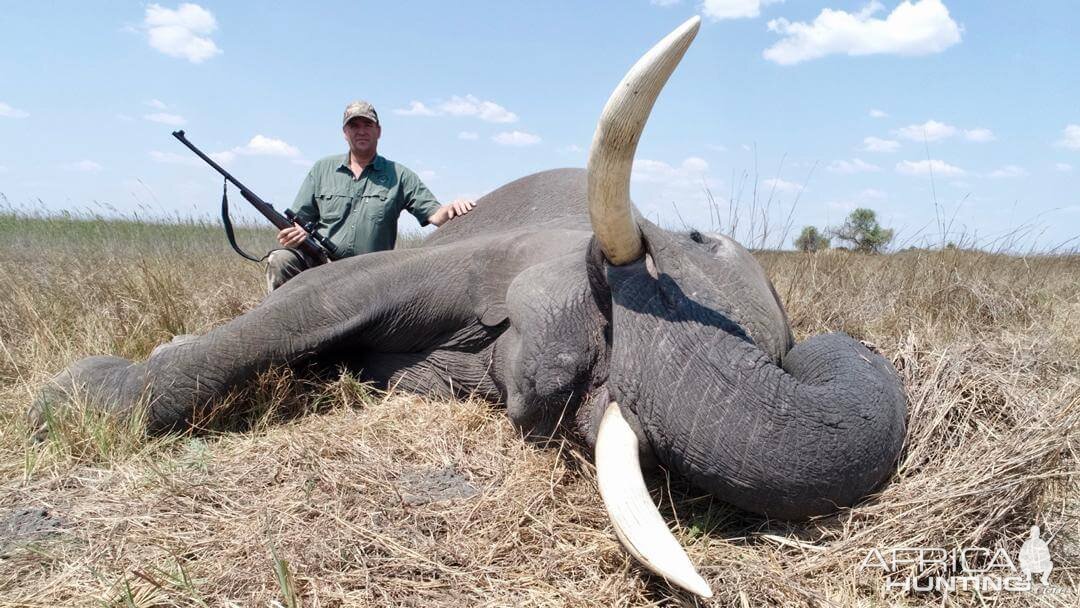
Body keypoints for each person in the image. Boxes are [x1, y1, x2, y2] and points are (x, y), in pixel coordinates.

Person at [266, 100, 475, 291]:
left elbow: (435, 215)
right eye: (354, 126)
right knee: (280, 260)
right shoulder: (322, 169)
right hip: (321, 265)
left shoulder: (399, 175)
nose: (361, 131)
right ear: (344, 132)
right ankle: (276, 328)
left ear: (379, 131)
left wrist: (453, 208)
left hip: (373, 275)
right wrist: (296, 234)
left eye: (367, 125)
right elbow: (299, 220)